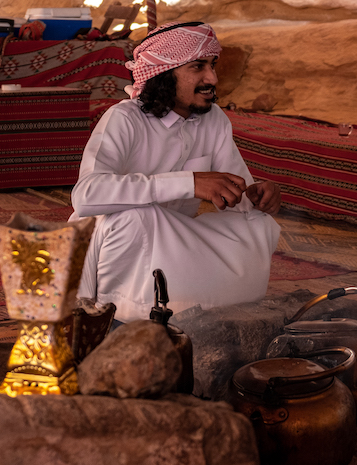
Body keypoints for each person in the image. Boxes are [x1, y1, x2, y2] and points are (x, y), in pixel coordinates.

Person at [70, 21, 282, 323]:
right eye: (198, 67)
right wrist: (189, 183)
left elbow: (237, 192)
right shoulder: (124, 119)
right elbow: (86, 196)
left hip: (173, 238)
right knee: (135, 217)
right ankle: (118, 317)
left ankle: (196, 307)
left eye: (212, 65)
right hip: (110, 241)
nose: (212, 78)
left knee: (257, 225)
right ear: (164, 74)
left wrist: (256, 195)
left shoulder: (214, 120)